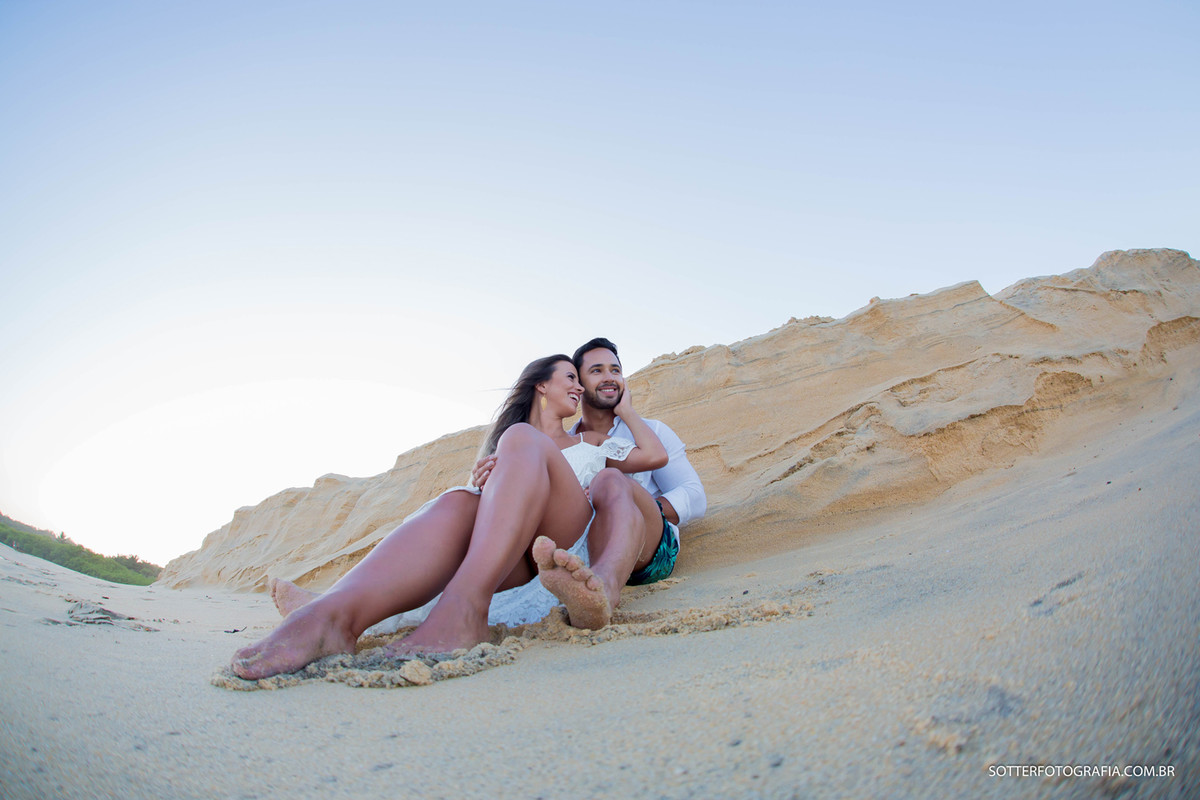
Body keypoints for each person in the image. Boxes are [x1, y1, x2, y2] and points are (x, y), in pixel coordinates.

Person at [230, 354, 667, 680]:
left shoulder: (589, 441)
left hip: (574, 539)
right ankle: (334, 616)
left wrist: (624, 411)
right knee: (459, 502)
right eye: (570, 377)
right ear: (540, 385)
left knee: (532, 444)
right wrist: (488, 482)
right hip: (526, 551)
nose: (578, 388)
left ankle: (464, 610)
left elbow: (647, 461)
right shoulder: (509, 448)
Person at [477, 337, 706, 629]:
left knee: (609, 479)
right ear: (580, 383)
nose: (610, 377)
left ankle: (605, 592)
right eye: (597, 371)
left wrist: (615, 504)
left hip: (649, 549)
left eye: (615, 370)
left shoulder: (651, 431)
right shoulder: (570, 440)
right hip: (583, 547)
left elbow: (695, 497)